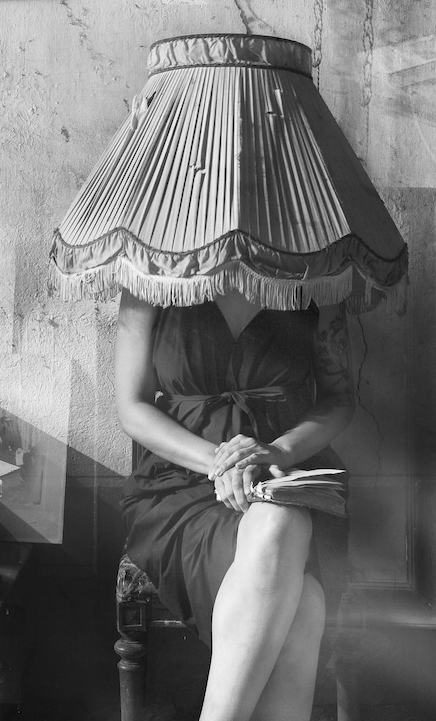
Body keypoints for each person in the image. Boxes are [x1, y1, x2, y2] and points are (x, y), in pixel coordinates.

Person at [115, 288, 355, 721]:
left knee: (283, 531)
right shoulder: (151, 275)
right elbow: (131, 407)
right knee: (304, 604)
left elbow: (338, 399)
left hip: (287, 467)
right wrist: (221, 462)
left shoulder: (317, 276)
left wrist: (277, 452)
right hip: (180, 480)